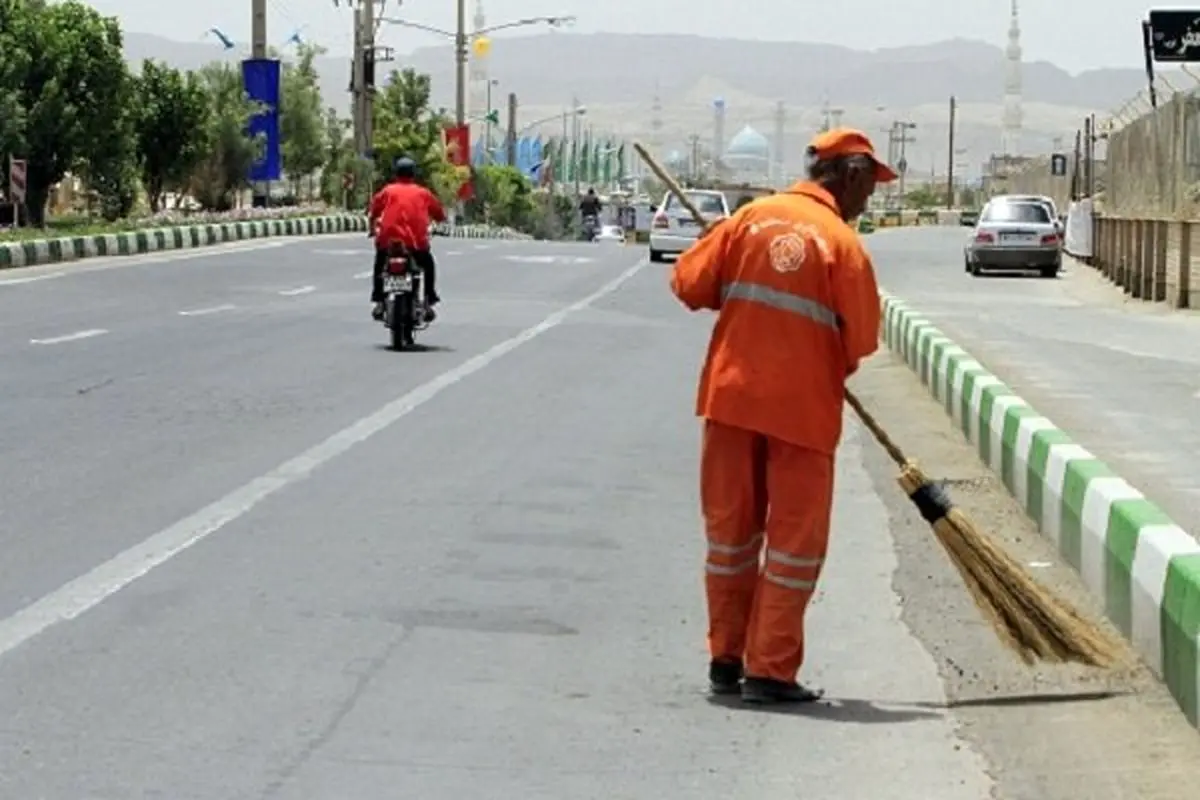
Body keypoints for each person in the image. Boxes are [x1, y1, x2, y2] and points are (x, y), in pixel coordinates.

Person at [669, 128, 896, 705]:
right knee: (794, 547)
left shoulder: (749, 219)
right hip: (802, 414)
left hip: (730, 402)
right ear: (849, 176)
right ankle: (768, 669)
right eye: (870, 185)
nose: (870, 198)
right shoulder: (842, 245)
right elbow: (862, 340)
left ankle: (726, 658)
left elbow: (688, 285)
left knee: (731, 539)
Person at [368, 156, 446, 321]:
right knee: (428, 265)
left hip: (388, 242)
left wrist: (372, 229)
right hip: (416, 243)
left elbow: (373, 211)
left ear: (396, 173)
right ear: (413, 174)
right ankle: (428, 299)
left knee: (380, 264)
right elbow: (439, 214)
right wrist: (437, 222)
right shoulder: (423, 193)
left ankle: (379, 300)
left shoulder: (388, 191)